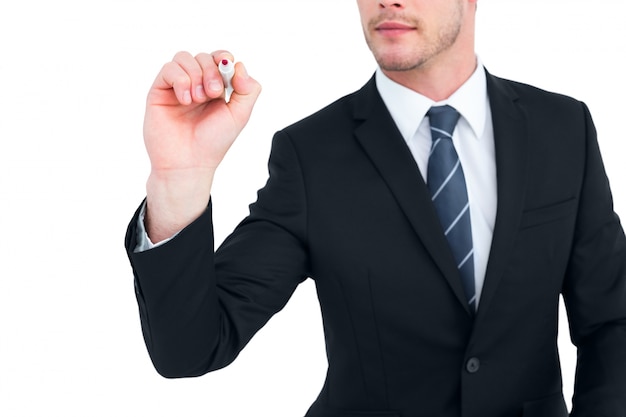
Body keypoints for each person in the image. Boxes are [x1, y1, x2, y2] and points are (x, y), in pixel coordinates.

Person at [125, 0, 626, 416]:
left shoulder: (563, 129)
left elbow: (611, 321)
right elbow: (191, 348)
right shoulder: (311, 155)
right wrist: (178, 181)